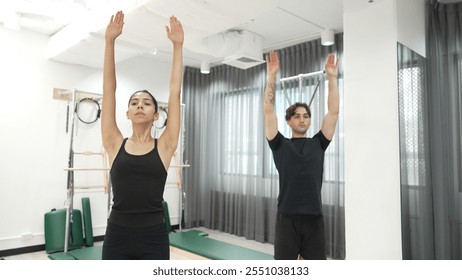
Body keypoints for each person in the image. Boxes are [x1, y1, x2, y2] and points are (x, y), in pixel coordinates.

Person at [101, 11, 184, 260]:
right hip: (117, 233)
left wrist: (178, 47)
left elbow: (174, 92)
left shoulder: (165, 146)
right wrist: (109, 41)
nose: (139, 105)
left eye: (147, 103)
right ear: (126, 113)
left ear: (156, 115)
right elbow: (109, 89)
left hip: (154, 235)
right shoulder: (114, 142)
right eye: (134, 102)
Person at [263, 51, 339, 260]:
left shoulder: (318, 143)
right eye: (297, 116)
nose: (302, 120)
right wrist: (271, 76)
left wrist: (332, 79)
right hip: (287, 220)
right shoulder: (279, 144)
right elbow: (268, 111)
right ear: (288, 121)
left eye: (306, 116)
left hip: (314, 220)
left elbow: (333, 112)